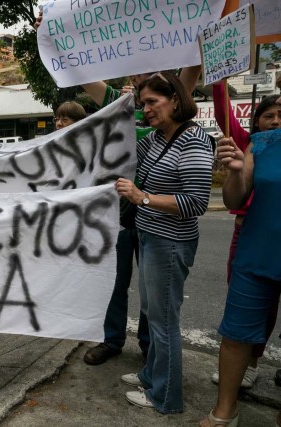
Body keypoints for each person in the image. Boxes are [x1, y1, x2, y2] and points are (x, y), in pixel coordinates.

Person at [34, 10, 202, 367]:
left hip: (158, 211)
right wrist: (54, 40)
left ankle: (148, 346)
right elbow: (82, 75)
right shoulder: (115, 100)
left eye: (150, 70)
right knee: (115, 278)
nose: (141, 76)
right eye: (136, 69)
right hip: (121, 212)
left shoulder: (167, 100)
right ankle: (112, 340)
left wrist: (203, 26)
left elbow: (193, 66)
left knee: (153, 289)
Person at [115, 72, 213, 413]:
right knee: (151, 312)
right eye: (143, 104)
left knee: (163, 320)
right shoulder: (158, 138)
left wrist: (143, 198)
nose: (147, 110)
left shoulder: (194, 140)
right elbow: (121, 151)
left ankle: (165, 396)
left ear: (175, 99)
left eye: (152, 102)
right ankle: (151, 374)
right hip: (150, 237)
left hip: (170, 244)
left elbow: (195, 202)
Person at [199, 129, 281, 427]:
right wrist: (234, 172)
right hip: (256, 254)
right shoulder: (262, 143)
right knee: (235, 335)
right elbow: (235, 197)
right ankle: (224, 410)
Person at [209, 85, 281, 389]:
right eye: (269, 116)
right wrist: (218, 79)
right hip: (250, 238)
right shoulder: (249, 145)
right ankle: (250, 362)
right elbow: (223, 111)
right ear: (257, 123)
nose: (276, 121)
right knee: (254, 308)